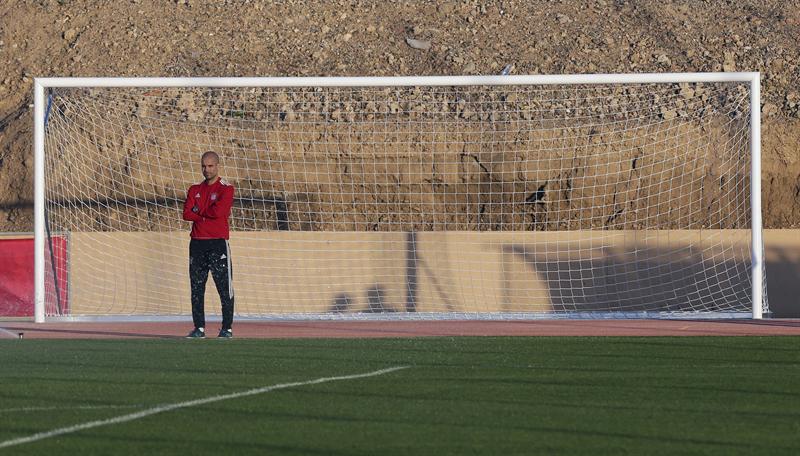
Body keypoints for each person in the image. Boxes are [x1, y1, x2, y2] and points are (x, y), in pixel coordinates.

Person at [182, 151, 235, 338]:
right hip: (197, 243)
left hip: (217, 243)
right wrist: (204, 212)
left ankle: (226, 328)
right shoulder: (194, 189)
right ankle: (199, 328)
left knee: (223, 287)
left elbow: (219, 211)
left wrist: (199, 211)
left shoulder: (226, 188)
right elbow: (186, 214)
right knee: (196, 287)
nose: (207, 169)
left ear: (217, 166)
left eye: (210, 166)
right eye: (204, 166)